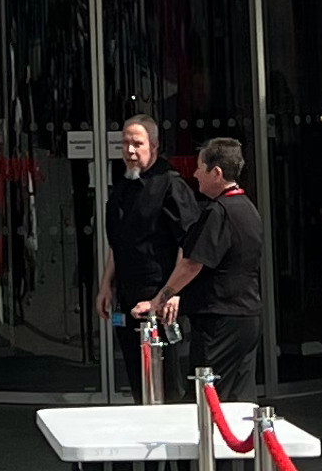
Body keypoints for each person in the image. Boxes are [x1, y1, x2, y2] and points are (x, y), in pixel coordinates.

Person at [148, 134, 265, 401]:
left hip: (220, 319)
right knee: (239, 399)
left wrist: (159, 299)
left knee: (205, 397)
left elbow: (192, 264)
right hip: (246, 316)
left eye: (200, 168)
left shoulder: (219, 211)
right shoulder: (248, 208)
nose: (195, 175)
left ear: (217, 173)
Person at [99, 113, 199, 361]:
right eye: (125, 143)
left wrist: (173, 292)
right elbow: (117, 242)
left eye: (137, 144)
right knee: (136, 370)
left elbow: (188, 243)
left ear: (153, 146)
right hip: (127, 294)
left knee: (163, 373)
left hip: (160, 295)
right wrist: (105, 285)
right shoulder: (122, 187)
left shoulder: (171, 184)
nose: (130, 151)